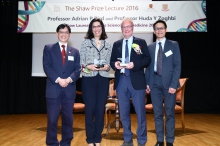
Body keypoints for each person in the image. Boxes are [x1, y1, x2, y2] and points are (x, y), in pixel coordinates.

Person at [110, 18, 151, 146]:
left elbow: (147, 59)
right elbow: (111, 61)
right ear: (121, 29)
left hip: (137, 82)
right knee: (124, 113)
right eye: (124, 27)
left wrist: (135, 64)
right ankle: (127, 139)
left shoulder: (141, 42)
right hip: (121, 81)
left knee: (140, 113)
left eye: (128, 27)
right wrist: (115, 64)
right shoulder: (116, 44)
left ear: (132, 28)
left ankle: (142, 140)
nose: (126, 29)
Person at [43, 23, 81, 146]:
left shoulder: (75, 52)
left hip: (69, 90)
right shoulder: (48, 48)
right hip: (53, 89)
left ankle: (66, 142)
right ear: (57, 34)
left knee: (68, 120)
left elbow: (77, 69)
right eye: (61, 32)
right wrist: (59, 79)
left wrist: (69, 79)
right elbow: (47, 67)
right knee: (52, 120)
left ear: (69, 35)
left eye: (66, 33)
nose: (63, 34)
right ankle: (52, 143)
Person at [145, 20, 181, 146]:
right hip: (154, 82)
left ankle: (170, 140)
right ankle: (160, 140)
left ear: (165, 29)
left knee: (170, 113)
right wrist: (147, 83)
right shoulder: (150, 47)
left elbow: (177, 66)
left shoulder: (173, 45)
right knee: (157, 113)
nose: (159, 30)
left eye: (162, 28)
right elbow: (148, 67)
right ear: (154, 31)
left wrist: (173, 84)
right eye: (157, 28)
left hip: (169, 83)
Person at [80, 18, 112, 146]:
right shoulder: (85, 43)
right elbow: (81, 63)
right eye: (94, 27)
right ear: (91, 29)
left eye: (99, 26)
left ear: (102, 28)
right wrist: (88, 66)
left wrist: (107, 67)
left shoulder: (108, 44)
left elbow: (109, 63)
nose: (97, 29)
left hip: (103, 78)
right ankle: (90, 139)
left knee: (100, 109)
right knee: (89, 109)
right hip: (89, 78)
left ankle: (97, 138)